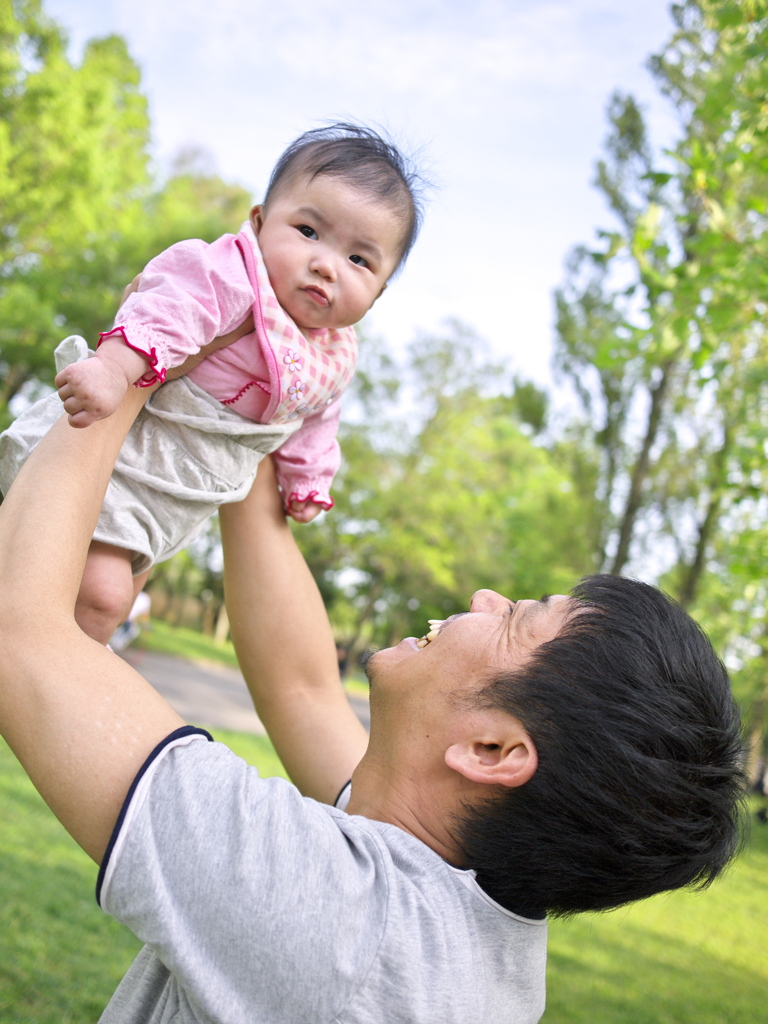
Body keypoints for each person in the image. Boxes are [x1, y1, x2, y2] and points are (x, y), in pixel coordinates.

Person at [0, 382, 747, 1022]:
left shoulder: (338, 927)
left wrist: (137, 359)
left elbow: (21, 634)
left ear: (491, 751)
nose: (486, 596)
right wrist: (262, 398)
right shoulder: (452, 917)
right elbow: (301, 688)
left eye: (517, 616)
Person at [0, 123, 424, 644]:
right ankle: (47, 677)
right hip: (133, 454)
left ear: (378, 294)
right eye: (309, 232)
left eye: (359, 260)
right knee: (101, 596)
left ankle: (46, 678)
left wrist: (307, 479)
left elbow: (316, 418)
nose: (326, 265)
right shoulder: (233, 277)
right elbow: (167, 307)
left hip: (180, 495)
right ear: (260, 222)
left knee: (110, 603)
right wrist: (114, 369)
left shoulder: (331, 354)